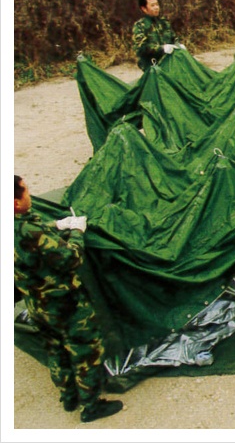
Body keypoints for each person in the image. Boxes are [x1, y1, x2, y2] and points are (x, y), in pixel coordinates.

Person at [14, 175, 124, 422]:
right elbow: (71, 258)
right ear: (15, 203)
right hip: (63, 302)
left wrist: (56, 225)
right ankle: (91, 406)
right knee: (85, 350)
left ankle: (69, 396)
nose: (29, 195)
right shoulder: (29, 232)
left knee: (55, 349)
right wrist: (76, 232)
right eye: (25, 192)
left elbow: (29, 233)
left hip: (36, 304)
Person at [132, 0, 185, 71]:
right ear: (144, 9)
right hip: (152, 65)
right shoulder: (140, 26)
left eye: (157, 4)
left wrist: (178, 45)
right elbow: (141, 48)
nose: (156, 8)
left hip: (170, 61)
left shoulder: (163, 22)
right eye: (152, 5)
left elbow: (173, 38)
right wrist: (161, 48)